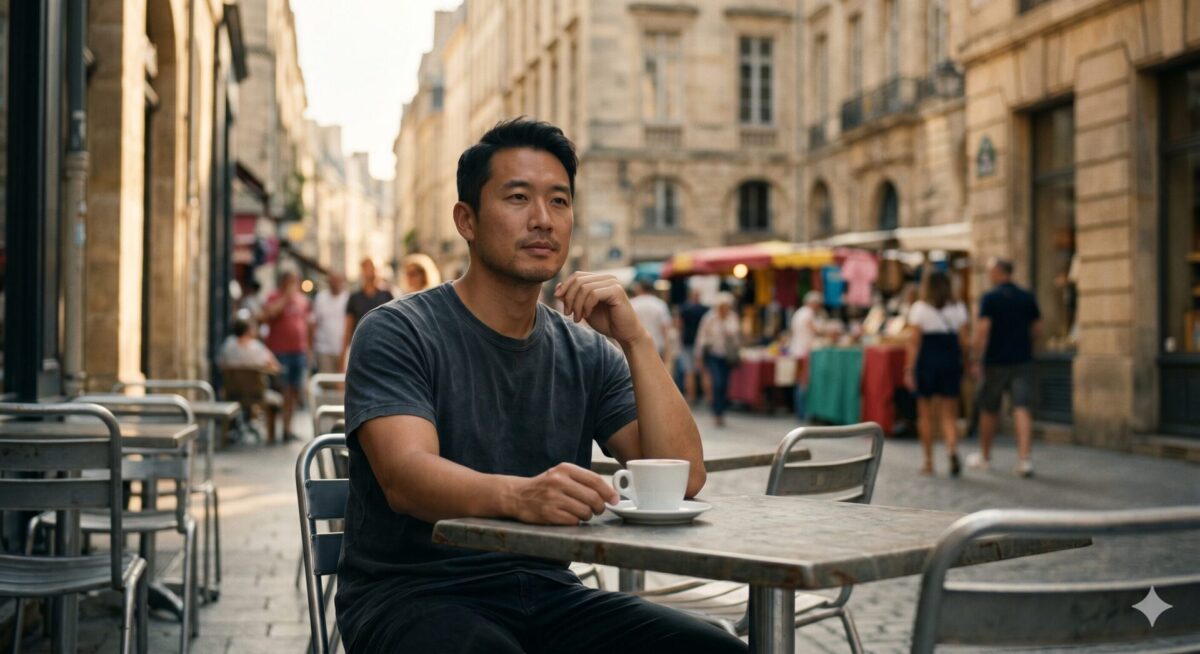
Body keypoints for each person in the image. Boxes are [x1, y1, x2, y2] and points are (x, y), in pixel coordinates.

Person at [337, 119, 744, 654]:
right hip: (412, 594)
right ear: (467, 220)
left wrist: (636, 340)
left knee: (715, 649)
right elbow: (406, 478)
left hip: (548, 593)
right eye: (518, 198)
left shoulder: (589, 351)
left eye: (559, 201)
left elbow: (684, 478)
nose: (543, 220)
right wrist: (521, 496)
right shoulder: (398, 330)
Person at [968, 258, 1041, 477]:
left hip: (995, 361)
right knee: (1022, 407)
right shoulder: (1027, 296)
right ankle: (1025, 459)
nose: (989, 275)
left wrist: (977, 358)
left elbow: (983, 330)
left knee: (989, 409)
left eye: (990, 271)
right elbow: (1037, 329)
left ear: (998, 272)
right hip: (1022, 359)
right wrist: (1027, 346)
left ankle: (985, 457)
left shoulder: (990, 298)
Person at [904, 270, 969, 477]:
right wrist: (966, 363)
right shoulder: (958, 307)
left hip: (927, 361)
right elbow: (964, 342)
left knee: (925, 414)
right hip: (950, 361)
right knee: (949, 413)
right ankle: (952, 449)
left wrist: (909, 369)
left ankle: (929, 461)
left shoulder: (920, 308)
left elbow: (914, 342)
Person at [263, 270, 310, 442]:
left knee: (294, 391)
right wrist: (286, 298)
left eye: (295, 281)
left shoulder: (302, 300)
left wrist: (307, 349)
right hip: (279, 352)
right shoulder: (273, 297)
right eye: (290, 281)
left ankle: (287, 429)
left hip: (298, 351)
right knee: (278, 392)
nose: (293, 285)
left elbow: (306, 324)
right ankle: (271, 432)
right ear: (283, 282)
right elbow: (269, 314)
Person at [693, 292, 741, 428]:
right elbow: (701, 336)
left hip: (727, 355)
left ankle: (721, 410)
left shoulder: (732, 317)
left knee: (725, 383)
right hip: (713, 354)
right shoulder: (709, 318)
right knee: (717, 382)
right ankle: (716, 411)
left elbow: (736, 334)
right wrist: (698, 355)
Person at [341, 257, 394, 372]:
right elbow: (348, 328)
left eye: (372, 267)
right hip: (360, 350)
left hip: (383, 349)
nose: (369, 271)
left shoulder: (387, 295)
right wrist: (342, 360)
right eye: (366, 268)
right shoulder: (354, 297)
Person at [788, 290, 831, 420]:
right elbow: (815, 330)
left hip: (797, 349)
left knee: (800, 381)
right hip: (804, 351)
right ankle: (802, 412)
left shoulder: (799, 312)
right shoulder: (808, 313)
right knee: (803, 382)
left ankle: (799, 410)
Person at [673, 289, 709, 403]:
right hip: (702, 343)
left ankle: (691, 397)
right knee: (704, 371)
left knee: (689, 371)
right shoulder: (705, 310)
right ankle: (709, 398)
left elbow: (678, 324)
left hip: (687, 342)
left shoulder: (684, 309)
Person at [311, 272, 349, 374]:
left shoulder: (348, 298)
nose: (335, 283)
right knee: (326, 380)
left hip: (342, 350)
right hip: (323, 349)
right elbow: (313, 323)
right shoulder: (320, 298)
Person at [629, 279, 672, 361]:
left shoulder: (632, 304)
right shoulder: (660, 304)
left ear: (640, 289)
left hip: (638, 348)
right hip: (657, 347)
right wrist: (668, 351)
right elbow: (665, 329)